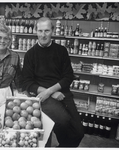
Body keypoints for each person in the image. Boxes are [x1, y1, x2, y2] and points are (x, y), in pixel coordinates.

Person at [22, 17, 84, 147]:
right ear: (35, 31)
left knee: (78, 133)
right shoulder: (30, 54)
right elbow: (27, 82)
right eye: (40, 31)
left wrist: (51, 91)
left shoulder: (61, 51)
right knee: (63, 120)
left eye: (46, 31)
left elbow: (68, 76)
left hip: (61, 93)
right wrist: (48, 93)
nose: (43, 35)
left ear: (53, 31)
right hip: (41, 96)